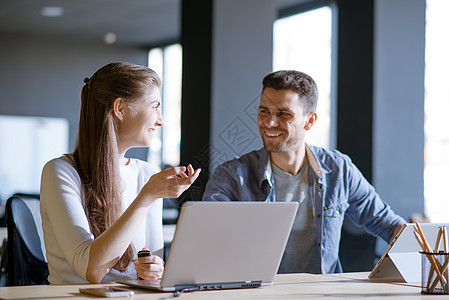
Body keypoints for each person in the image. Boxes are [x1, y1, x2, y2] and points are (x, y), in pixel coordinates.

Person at [202, 70, 405, 274]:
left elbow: (387, 223)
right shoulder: (232, 176)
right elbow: (204, 240)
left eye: (283, 114)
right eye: (264, 111)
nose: (270, 123)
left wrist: (419, 246)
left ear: (310, 121)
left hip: (322, 295)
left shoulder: (338, 169)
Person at [40, 62, 201, 284]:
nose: (161, 120)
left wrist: (154, 269)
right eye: (155, 106)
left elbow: (152, 267)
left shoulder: (147, 174)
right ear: (120, 109)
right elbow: (92, 270)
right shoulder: (60, 172)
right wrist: (147, 196)